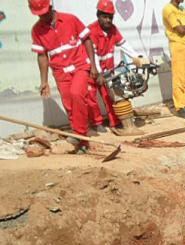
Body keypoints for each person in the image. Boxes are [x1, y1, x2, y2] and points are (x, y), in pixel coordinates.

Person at [29, 0, 99, 153]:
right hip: (60, 72)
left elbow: (87, 40)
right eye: (38, 15)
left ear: (51, 7)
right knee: (69, 106)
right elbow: (42, 56)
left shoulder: (70, 19)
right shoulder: (36, 30)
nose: (42, 17)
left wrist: (93, 65)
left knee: (76, 94)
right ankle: (83, 144)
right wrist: (44, 81)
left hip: (80, 66)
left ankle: (78, 135)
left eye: (44, 13)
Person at [88, 0, 142, 134]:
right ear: (98, 15)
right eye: (104, 16)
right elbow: (93, 54)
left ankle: (115, 122)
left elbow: (124, 44)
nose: (108, 20)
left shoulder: (113, 30)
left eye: (110, 17)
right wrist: (98, 73)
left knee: (111, 95)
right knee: (91, 96)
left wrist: (137, 57)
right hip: (91, 69)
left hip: (107, 69)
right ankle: (97, 123)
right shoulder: (91, 31)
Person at [162, 0, 185, 120]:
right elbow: (180, 30)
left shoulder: (183, 10)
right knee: (178, 77)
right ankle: (180, 107)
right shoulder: (168, 9)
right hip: (177, 46)